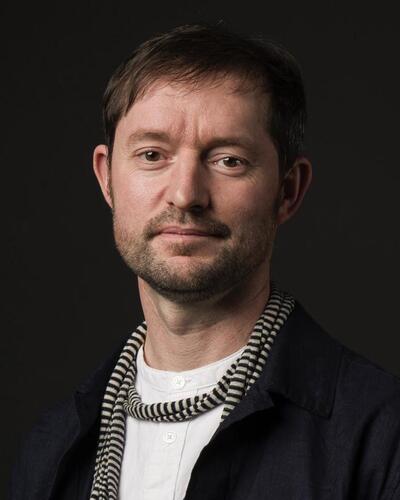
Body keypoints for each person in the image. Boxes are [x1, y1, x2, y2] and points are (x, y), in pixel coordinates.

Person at [9, 24, 400, 500]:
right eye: (152, 155)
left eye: (228, 160)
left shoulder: (380, 436)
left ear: (288, 191)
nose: (185, 194)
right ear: (106, 178)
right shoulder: (50, 450)